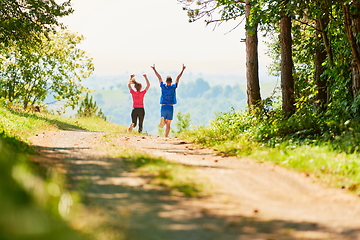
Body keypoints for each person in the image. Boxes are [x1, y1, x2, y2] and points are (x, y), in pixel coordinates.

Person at [151, 64, 186, 137]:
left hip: (163, 106)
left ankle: (163, 122)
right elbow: (178, 78)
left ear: (166, 81)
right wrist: (182, 70)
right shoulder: (173, 87)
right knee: (169, 124)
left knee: (165, 121)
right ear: (171, 81)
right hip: (170, 107)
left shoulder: (163, 86)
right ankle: (166, 136)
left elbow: (159, 77)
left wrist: (154, 69)